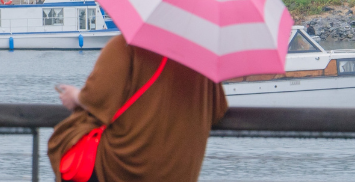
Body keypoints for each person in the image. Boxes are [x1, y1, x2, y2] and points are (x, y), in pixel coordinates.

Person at [48, 36, 228, 182]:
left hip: (123, 167)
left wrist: (75, 96)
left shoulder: (125, 46)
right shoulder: (202, 58)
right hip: (178, 172)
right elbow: (218, 110)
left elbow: (95, 98)